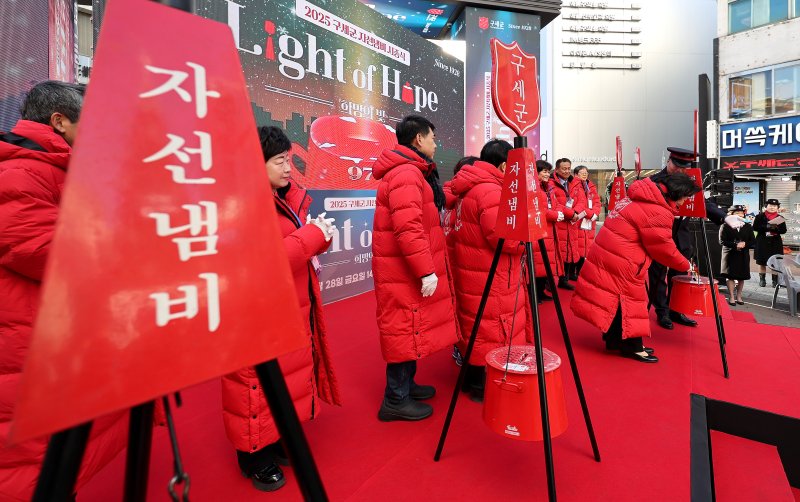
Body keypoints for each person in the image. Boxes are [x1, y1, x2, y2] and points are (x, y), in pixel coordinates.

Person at [0, 81, 128, 500]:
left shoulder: (50, 169)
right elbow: (49, 253)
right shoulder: (20, 171)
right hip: (27, 345)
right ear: (59, 122)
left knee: (50, 467)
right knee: (33, 469)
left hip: (46, 340)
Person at [221, 126, 341, 492]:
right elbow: (260, 262)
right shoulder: (239, 205)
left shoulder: (282, 199)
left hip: (286, 304)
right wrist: (310, 237)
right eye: (279, 161)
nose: (288, 168)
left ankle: (272, 439)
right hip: (254, 311)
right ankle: (253, 456)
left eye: (288, 159)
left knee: (283, 374)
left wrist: (317, 239)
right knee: (252, 382)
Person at [372, 115, 457, 421]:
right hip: (404, 270)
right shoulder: (407, 173)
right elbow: (408, 227)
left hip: (404, 268)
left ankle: (406, 385)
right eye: (432, 138)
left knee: (411, 326)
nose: (436, 143)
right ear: (418, 139)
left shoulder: (412, 172)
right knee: (404, 328)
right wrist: (426, 270)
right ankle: (395, 398)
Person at [571, 173, 699, 363]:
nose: (686, 201)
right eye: (686, 197)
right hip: (623, 261)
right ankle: (632, 347)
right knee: (630, 302)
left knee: (617, 301)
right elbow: (663, 248)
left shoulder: (636, 197)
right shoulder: (656, 210)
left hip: (610, 253)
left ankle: (614, 340)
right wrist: (686, 264)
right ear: (676, 193)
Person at [449, 139, 530, 402]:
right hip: (492, 276)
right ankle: (485, 387)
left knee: (477, 328)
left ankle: (472, 380)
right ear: (505, 165)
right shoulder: (492, 192)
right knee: (494, 331)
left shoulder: (468, 188)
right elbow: (504, 239)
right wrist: (525, 239)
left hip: (473, 272)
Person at [647, 147, 736, 330]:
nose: (679, 170)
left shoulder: (691, 181)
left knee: (679, 275)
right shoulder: (653, 181)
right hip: (660, 236)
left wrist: (724, 217)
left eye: (683, 167)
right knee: (658, 275)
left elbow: (704, 203)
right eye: (676, 165)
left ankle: (675, 309)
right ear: (668, 162)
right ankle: (662, 311)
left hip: (682, 237)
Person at [547, 158, 586, 290]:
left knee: (570, 250)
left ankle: (564, 280)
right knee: (557, 252)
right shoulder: (551, 183)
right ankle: (548, 283)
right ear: (557, 170)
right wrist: (570, 214)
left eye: (569, 168)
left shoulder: (575, 183)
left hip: (572, 223)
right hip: (560, 222)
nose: (567, 171)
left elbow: (582, 201)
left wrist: (576, 212)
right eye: (564, 168)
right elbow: (555, 203)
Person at [719, 205, 755, 305]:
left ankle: (739, 296)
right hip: (730, 253)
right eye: (737, 213)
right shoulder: (725, 225)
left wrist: (745, 244)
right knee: (730, 276)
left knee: (741, 276)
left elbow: (753, 241)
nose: (740, 215)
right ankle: (731, 296)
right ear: (731, 214)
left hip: (743, 254)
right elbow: (722, 241)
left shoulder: (747, 226)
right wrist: (735, 245)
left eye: (741, 213)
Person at [534, 160, 559, 301]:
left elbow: (555, 205)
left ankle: (541, 291)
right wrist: (555, 215)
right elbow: (537, 208)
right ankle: (535, 293)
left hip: (549, 228)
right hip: (539, 228)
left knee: (545, 262)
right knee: (538, 261)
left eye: (548, 171)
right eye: (544, 171)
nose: (547, 174)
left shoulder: (548, 187)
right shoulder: (533, 187)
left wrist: (560, 212)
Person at [572, 165, 601, 279]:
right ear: (575, 174)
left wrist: (595, 213)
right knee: (577, 245)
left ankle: (581, 270)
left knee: (586, 246)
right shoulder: (574, 185)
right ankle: (572, 272)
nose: (584, 174)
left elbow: (597, 202)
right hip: (579, 220)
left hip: (589, 221)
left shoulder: (591, 186)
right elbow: (579, 203)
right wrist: (590, 213)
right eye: (581, 172)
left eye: (586, 172)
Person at [753, 199, 787, 288]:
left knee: (775, 263)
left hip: (775, 243)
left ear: (777, 208)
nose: (772, 207)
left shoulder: (780, 218)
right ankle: (762, 280)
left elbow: (784, 230)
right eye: (770, 205)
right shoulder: (759, 216)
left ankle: (774, 281)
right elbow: (755, 227)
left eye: (775, 206)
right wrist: (767, 227)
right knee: (761, 262)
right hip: (762, 242)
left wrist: (776, 229)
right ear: (766, 206)